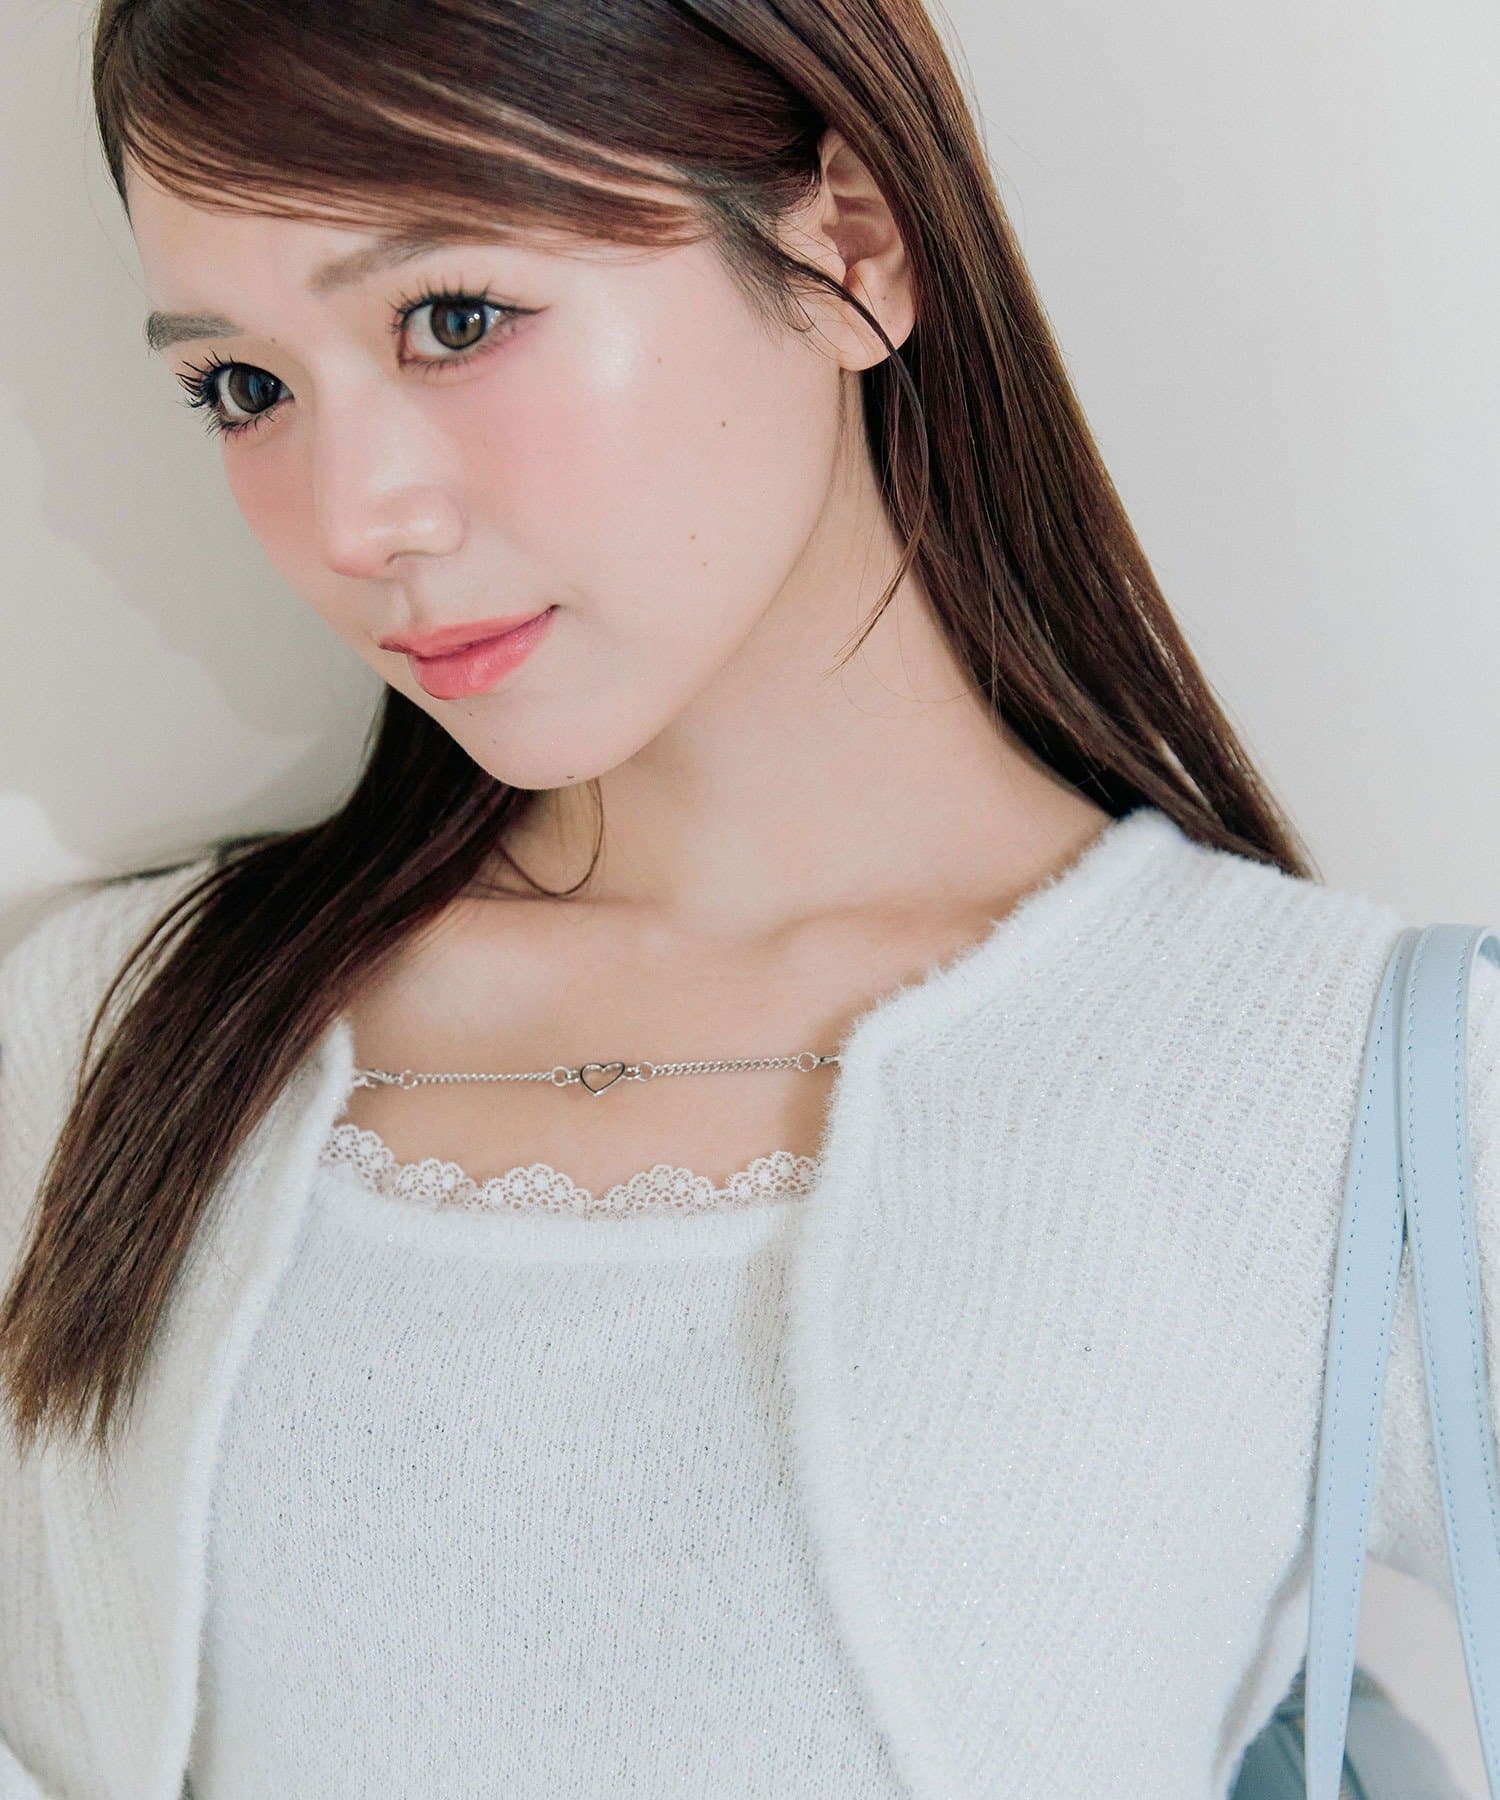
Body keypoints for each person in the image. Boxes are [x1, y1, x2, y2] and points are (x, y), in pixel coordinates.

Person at [0, 1, 1491, 1796]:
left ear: (851, 243)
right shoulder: (103, 1037)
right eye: (244, 389)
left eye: (454, 318)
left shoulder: (1340, 1087)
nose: (356, 518)